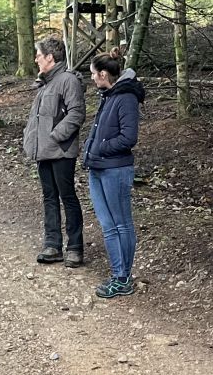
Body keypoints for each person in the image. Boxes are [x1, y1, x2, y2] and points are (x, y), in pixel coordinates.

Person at [81, 50, 146, 298]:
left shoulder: (125, 97)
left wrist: (101, 147)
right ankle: (117, 273)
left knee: (121, 224)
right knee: (108, 225)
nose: (92, 80)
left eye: (93, 75)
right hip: (97, 168)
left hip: (115, 170)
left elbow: (129, 137)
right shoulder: (107, 95)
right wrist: (91, 151)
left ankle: (123, 277)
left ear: (104, 74)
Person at [24, 36, 87, 266]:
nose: (36, 59)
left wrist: (55, 137)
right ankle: (52, 245)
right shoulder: (45, 83)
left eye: (39, 55)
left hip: (61, 151)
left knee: (67, 197)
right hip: (43, 152)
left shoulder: (67, 81)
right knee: (49, 197)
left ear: (50, 57)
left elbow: (76, 114)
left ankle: (75, 247)